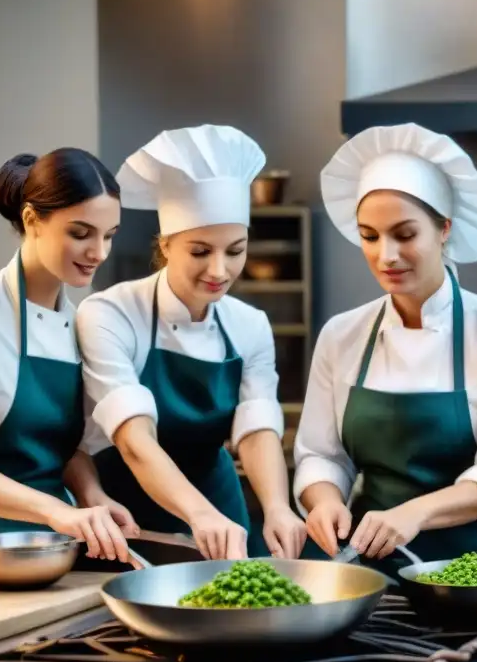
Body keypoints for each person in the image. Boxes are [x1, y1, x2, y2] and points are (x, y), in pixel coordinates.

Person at [294, 122, 477, 576]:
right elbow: (320, 454)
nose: (386, 255)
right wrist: (325, 499)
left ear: (444, 228)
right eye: (369, 236)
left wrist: (414, 513)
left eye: (404, 234)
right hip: (370, 566)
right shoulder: (341, 334)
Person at [75, 125, 306, 561]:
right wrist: (199, 515)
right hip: (126, 509)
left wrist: (278, 507)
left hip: (218, 499)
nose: (219, 270)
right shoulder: (111, 314)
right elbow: (133, 439)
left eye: (235, 251)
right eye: (200, 251)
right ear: (166, 244)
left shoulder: (250, 325)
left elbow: (256, 429)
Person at [0, 149, 139, 571]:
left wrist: (92, 496)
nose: (98, 252)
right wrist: (59, 512)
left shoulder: (80, 322)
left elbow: (61, 447)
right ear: (32, 220)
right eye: (81, 232)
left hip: (43, 550)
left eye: (109, 235)